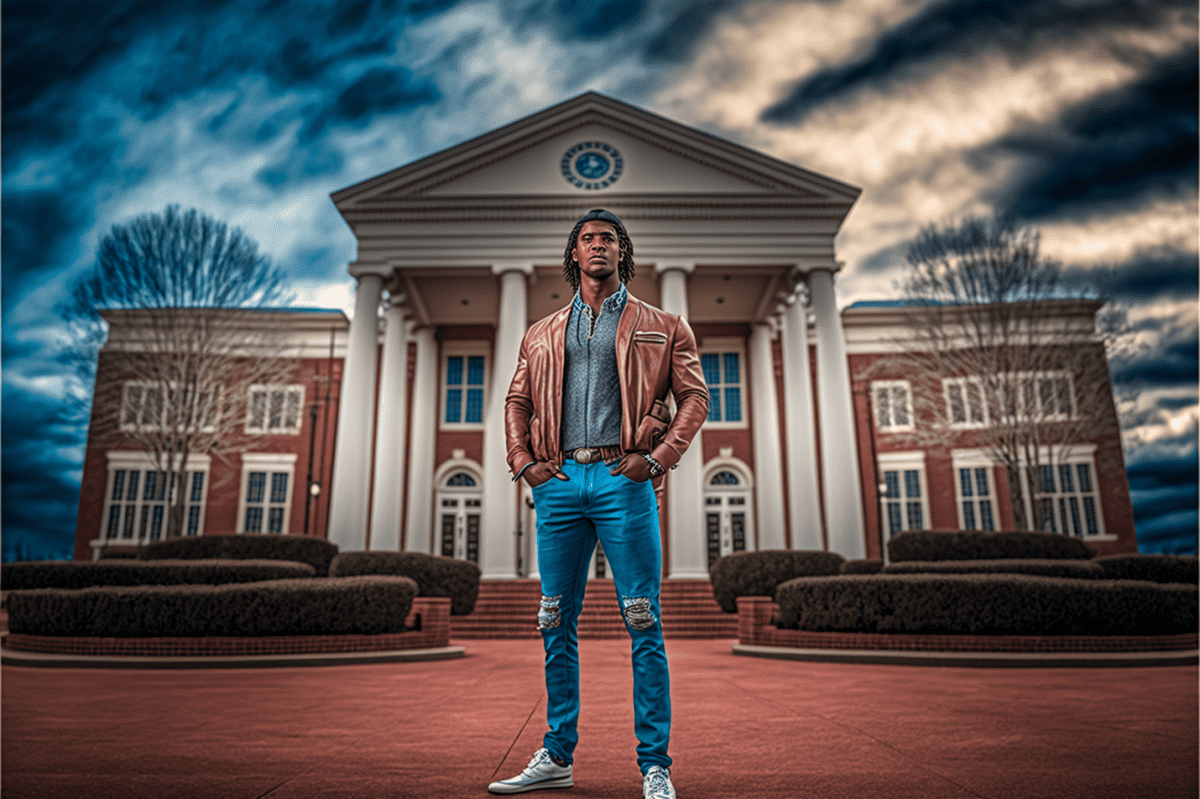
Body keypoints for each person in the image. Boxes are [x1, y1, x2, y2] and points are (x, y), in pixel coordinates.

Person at [489, 209, 708, 799]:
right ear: (574, 253)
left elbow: (694, 398)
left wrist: (659, 458)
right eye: (587, 239)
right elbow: (516, 399)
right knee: (554, 617)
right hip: (558, 483)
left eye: (608, 239)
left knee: (643, 619)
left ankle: (655, 765)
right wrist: (523, 463)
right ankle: (557, 754)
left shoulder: (664, 325)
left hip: (623, 478)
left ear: (622, 251)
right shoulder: (540, 332)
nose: (597, 247)